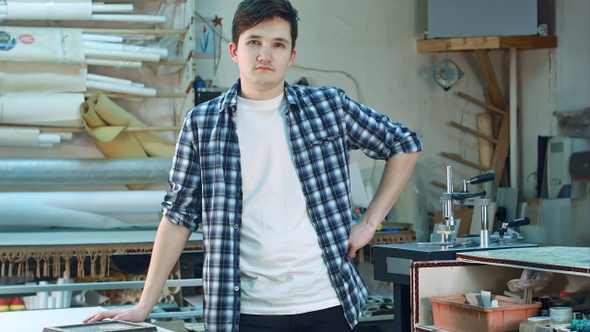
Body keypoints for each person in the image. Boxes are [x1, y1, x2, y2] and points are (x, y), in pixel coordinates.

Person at [84, 0, 422, 331]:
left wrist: (369, 223)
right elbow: (178, 216)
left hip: (326, 303)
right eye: (254, 42)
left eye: (278, 44)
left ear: (291, 56)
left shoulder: (328, 107)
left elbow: (404, 143)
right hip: (245, 311)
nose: (265, 54)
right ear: (235, 51)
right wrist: (145, 305)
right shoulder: (203, 124)